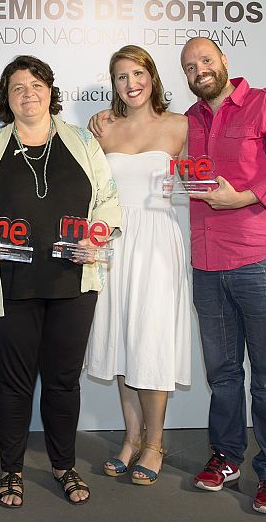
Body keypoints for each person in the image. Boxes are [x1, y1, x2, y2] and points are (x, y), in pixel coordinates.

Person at [90, 37, 266, 515]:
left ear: (224, 62)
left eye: (206, 61)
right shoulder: (192, 121)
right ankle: (228, 457)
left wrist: (247, 195)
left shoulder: (264, 104)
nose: (200, 70)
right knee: (224, 373)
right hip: (207, 261)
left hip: (259, 257)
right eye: (191, 66)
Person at [0, 55, 121, 508]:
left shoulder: (84, 143)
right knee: (12, 382)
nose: (27, 93)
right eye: (16, 87)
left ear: (50, 91)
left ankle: (63, 464)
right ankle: (11, 470)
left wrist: (101, 234)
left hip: (73, 282)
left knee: (64, 381)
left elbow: (108, 200)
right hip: (11, 284)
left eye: (36, 84)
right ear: (5, 98)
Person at [84, 45, 191, 487]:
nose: (132, 83)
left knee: (152, 340)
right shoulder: (104, 130)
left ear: (152, 77)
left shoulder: (180, 126)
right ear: (114, 85)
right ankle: (131, 438)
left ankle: (155, 442)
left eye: (138, 73)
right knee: (122, 342)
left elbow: (197, 181)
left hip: (159, 244)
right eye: (122, 76)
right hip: (115, 243)